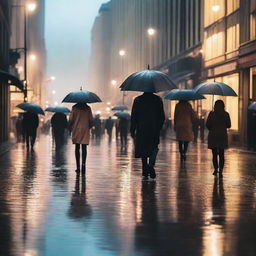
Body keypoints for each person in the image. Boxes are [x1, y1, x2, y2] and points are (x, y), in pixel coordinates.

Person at [130, 92, 165, 179]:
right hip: (154, 128)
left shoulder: (138, 100)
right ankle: (151, 165)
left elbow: (134, 116)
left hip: (142, 128)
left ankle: (145, 169)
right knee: (154, 147)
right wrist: (159, 127)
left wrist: (132, 130)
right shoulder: (158, 100)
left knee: (143, 148)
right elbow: (162, 117)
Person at [206, 100, 231, 177]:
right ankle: (221, 171)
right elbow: (229, 125)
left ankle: (216, 169)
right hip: (222, 136)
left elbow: (207, 125)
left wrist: (212, 127)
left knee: (214, 154)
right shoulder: (226, 114)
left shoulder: (211, 114)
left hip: (213, 135)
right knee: (221, 154)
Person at [69, 103, 93, 175]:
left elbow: (71, 119)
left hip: (76, 129)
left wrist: (70, 126)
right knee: (84, 148)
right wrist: (89, 126)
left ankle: (78, 167)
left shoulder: (74, 108)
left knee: (77, 148)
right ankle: (83, 165)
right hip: (85, 129)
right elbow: (91, 120)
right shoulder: (88, 108)